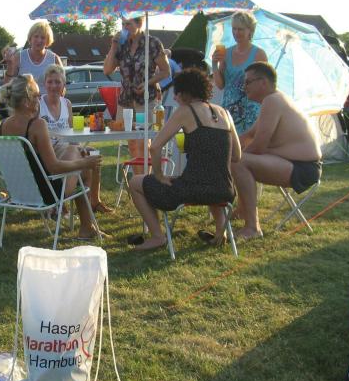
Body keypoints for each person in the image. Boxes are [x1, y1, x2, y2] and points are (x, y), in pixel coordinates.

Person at [128, 68, 241, 251]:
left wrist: (159, 176)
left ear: (186, 93)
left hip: (192, 189)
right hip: (224, 190)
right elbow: (237, 155)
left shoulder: (185, 111)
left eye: (177, 93)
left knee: (135, 182)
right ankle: (221, 233)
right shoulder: (224, 113)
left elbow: (155, 147)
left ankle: (157, 237)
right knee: (211, 174)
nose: (174, 98)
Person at [0, 75, 104, 240]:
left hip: (19, 191)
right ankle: (87, 227)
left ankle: (87, 227)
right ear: (26, 102)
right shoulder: (37, 125)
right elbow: (54, 167)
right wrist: (84, 162)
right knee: (82, 166)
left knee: (76, 155)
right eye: (36, 96)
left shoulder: (3, 125)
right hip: (47, 193)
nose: (39, 99)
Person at [231, 62, 322, 241]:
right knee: (238, 159)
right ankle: (242, 210)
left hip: (303, 168)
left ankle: (252, 228)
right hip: (295, 164)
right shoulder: (275, 100)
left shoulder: (273, 100)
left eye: (248, 82)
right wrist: (227, 147)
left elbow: (258, 146)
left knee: (239, 162)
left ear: (263, 82)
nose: (244, 87)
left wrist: (232, 156)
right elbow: (248, 136)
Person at [39, 64, 112, 213]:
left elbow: (72, 132)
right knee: (80, 156)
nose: (53, 86)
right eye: (50, 82)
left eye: (57, 82)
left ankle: (95, 200)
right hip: (50, 150)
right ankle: (64, 200)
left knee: (93, 153)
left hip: (67, 147)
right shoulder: (39, 104)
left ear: (63, 84)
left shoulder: (66, 103)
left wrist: (80, 147)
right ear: (45, 83)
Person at [103, 16, 171, 171]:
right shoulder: (121, 44)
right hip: (125, 100)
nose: (124, 27)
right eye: (123, 24)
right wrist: (113, 46)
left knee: (143, 142)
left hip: (146, 99)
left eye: (128, 24)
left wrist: (148, 82)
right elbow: (107, 70)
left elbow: (166, 71)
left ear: (140, 23)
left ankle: (145, 181)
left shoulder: (152, 43)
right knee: (132, 144)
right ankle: (138, 180)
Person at [211, 10, 268, 134]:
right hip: (228, 110)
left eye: (240, 29)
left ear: (250, 31)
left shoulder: (259, 54)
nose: (236, 33)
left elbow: (264, 86)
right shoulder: (226, 53)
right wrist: (214, 64)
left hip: (250, 111)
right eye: (234, 29)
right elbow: (220, 85)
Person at [3, 21, 62, 91]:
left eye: (43, 38)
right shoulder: (19, 57)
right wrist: (10, 65)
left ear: (47, 40)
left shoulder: (55, 59)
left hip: (47, 98)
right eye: (36, 36)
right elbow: (7, 86)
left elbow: (62, 88)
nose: (39, 40)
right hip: (23, 98)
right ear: (30, 38)